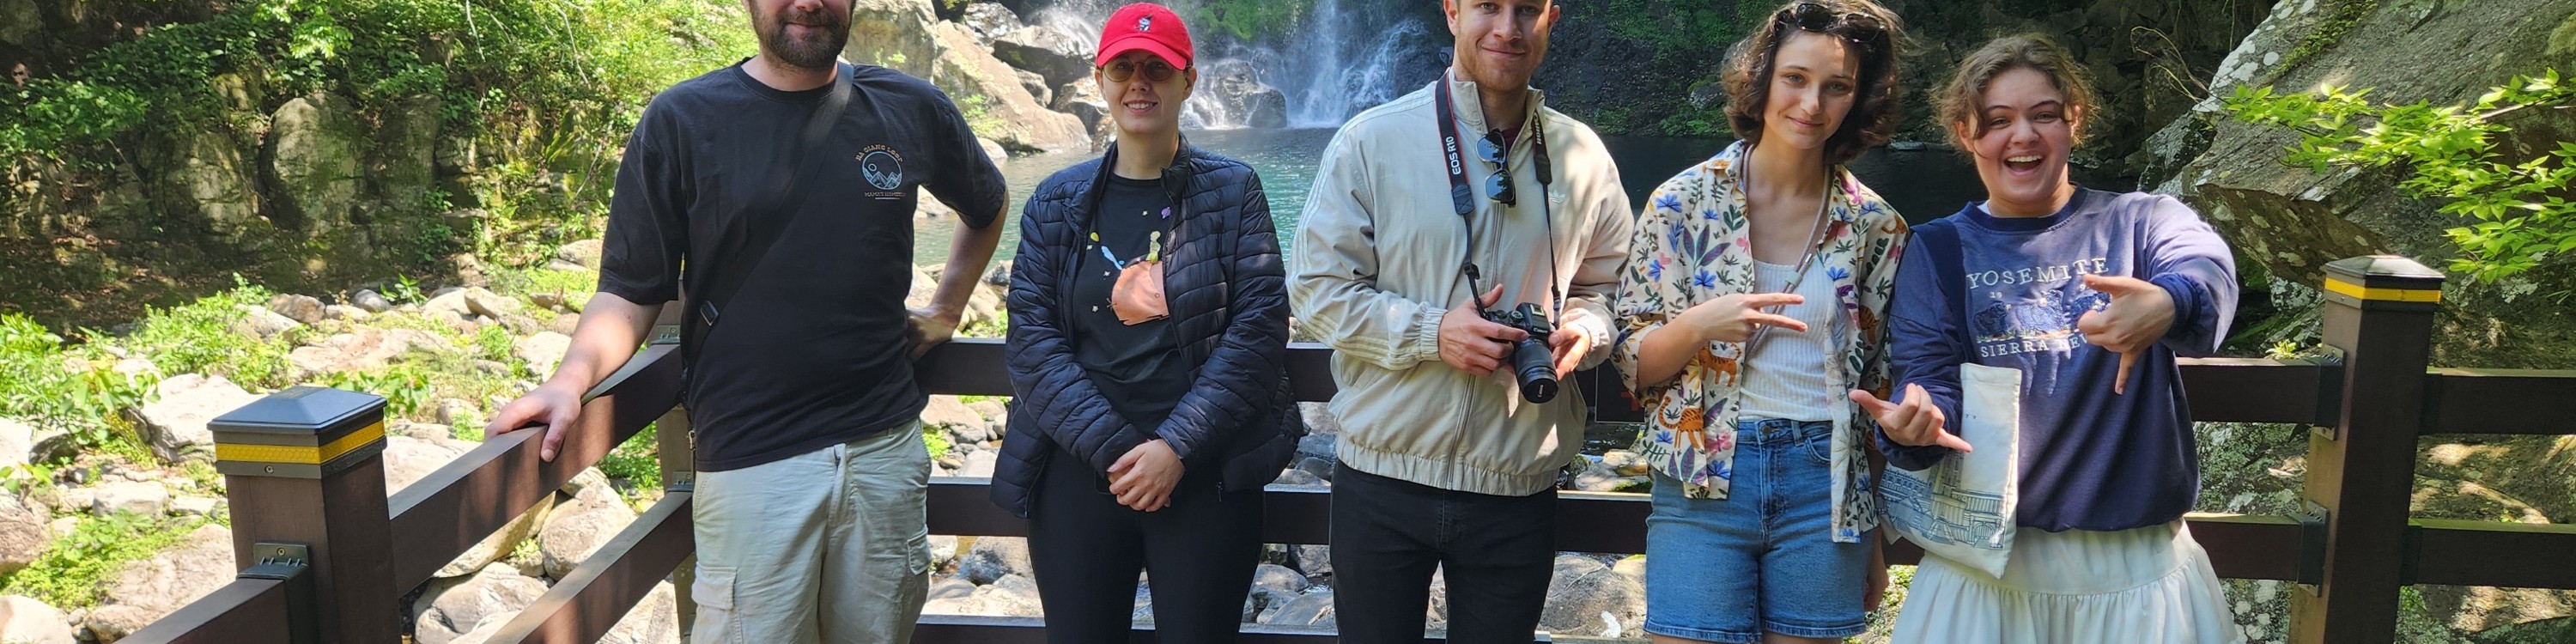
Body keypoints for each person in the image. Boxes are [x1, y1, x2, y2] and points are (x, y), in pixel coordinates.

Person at [484, 0, 1007, 641]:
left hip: (882, 453)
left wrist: (949, 306)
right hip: (751, 463)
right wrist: (570, 380)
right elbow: (629, 290)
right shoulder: (682, 119)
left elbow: (986, 201)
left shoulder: (909, 107)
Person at [1856, 33, 2242, 643]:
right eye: (1998, 121)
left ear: (2075, 120)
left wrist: (2168, 303)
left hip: (2140, 571)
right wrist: (1915, 422)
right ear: (1965, 132)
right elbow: (1926, 377)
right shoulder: (1937, 249)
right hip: (1986, 577)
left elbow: (2208, 273)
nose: (2023, 137)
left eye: (2043, 115)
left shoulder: (2143, 221)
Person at [1289, 0, 1631, 640]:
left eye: (1527, 9)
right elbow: (1315, 290)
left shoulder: (1583, 156)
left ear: (1552, 17)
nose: (1508, 27)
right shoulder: (1371, 141)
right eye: (1487, 7)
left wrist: (1586, 332)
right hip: (1382, 476)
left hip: (1517, 480)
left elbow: (1607, 288)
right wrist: (1429, 332)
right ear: (1452, 11)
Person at [990, 3, 1297, 642]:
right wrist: (1117, 453)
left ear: (1187, 82)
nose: (1140, 82)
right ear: (1100, 81)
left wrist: (1174, 449)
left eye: (1157, 69)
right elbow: (1033, 342)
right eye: (1124, 67)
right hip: (1078, 473)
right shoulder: (1056, 199)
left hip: (1202, 474)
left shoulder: (1234, 190)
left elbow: (1258, 331)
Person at [1609, 2, 1905, 642]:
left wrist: (1873, 534)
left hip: (1823, 487)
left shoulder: (1875, 226)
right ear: (1763, 79)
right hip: (1701, 480)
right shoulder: (1682, 203)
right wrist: (1698, 325)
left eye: (1837, 87)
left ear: (1857, 100)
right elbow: (1632, 360)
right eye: (1795, 78)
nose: (1812, 104)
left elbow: (1877, 392)